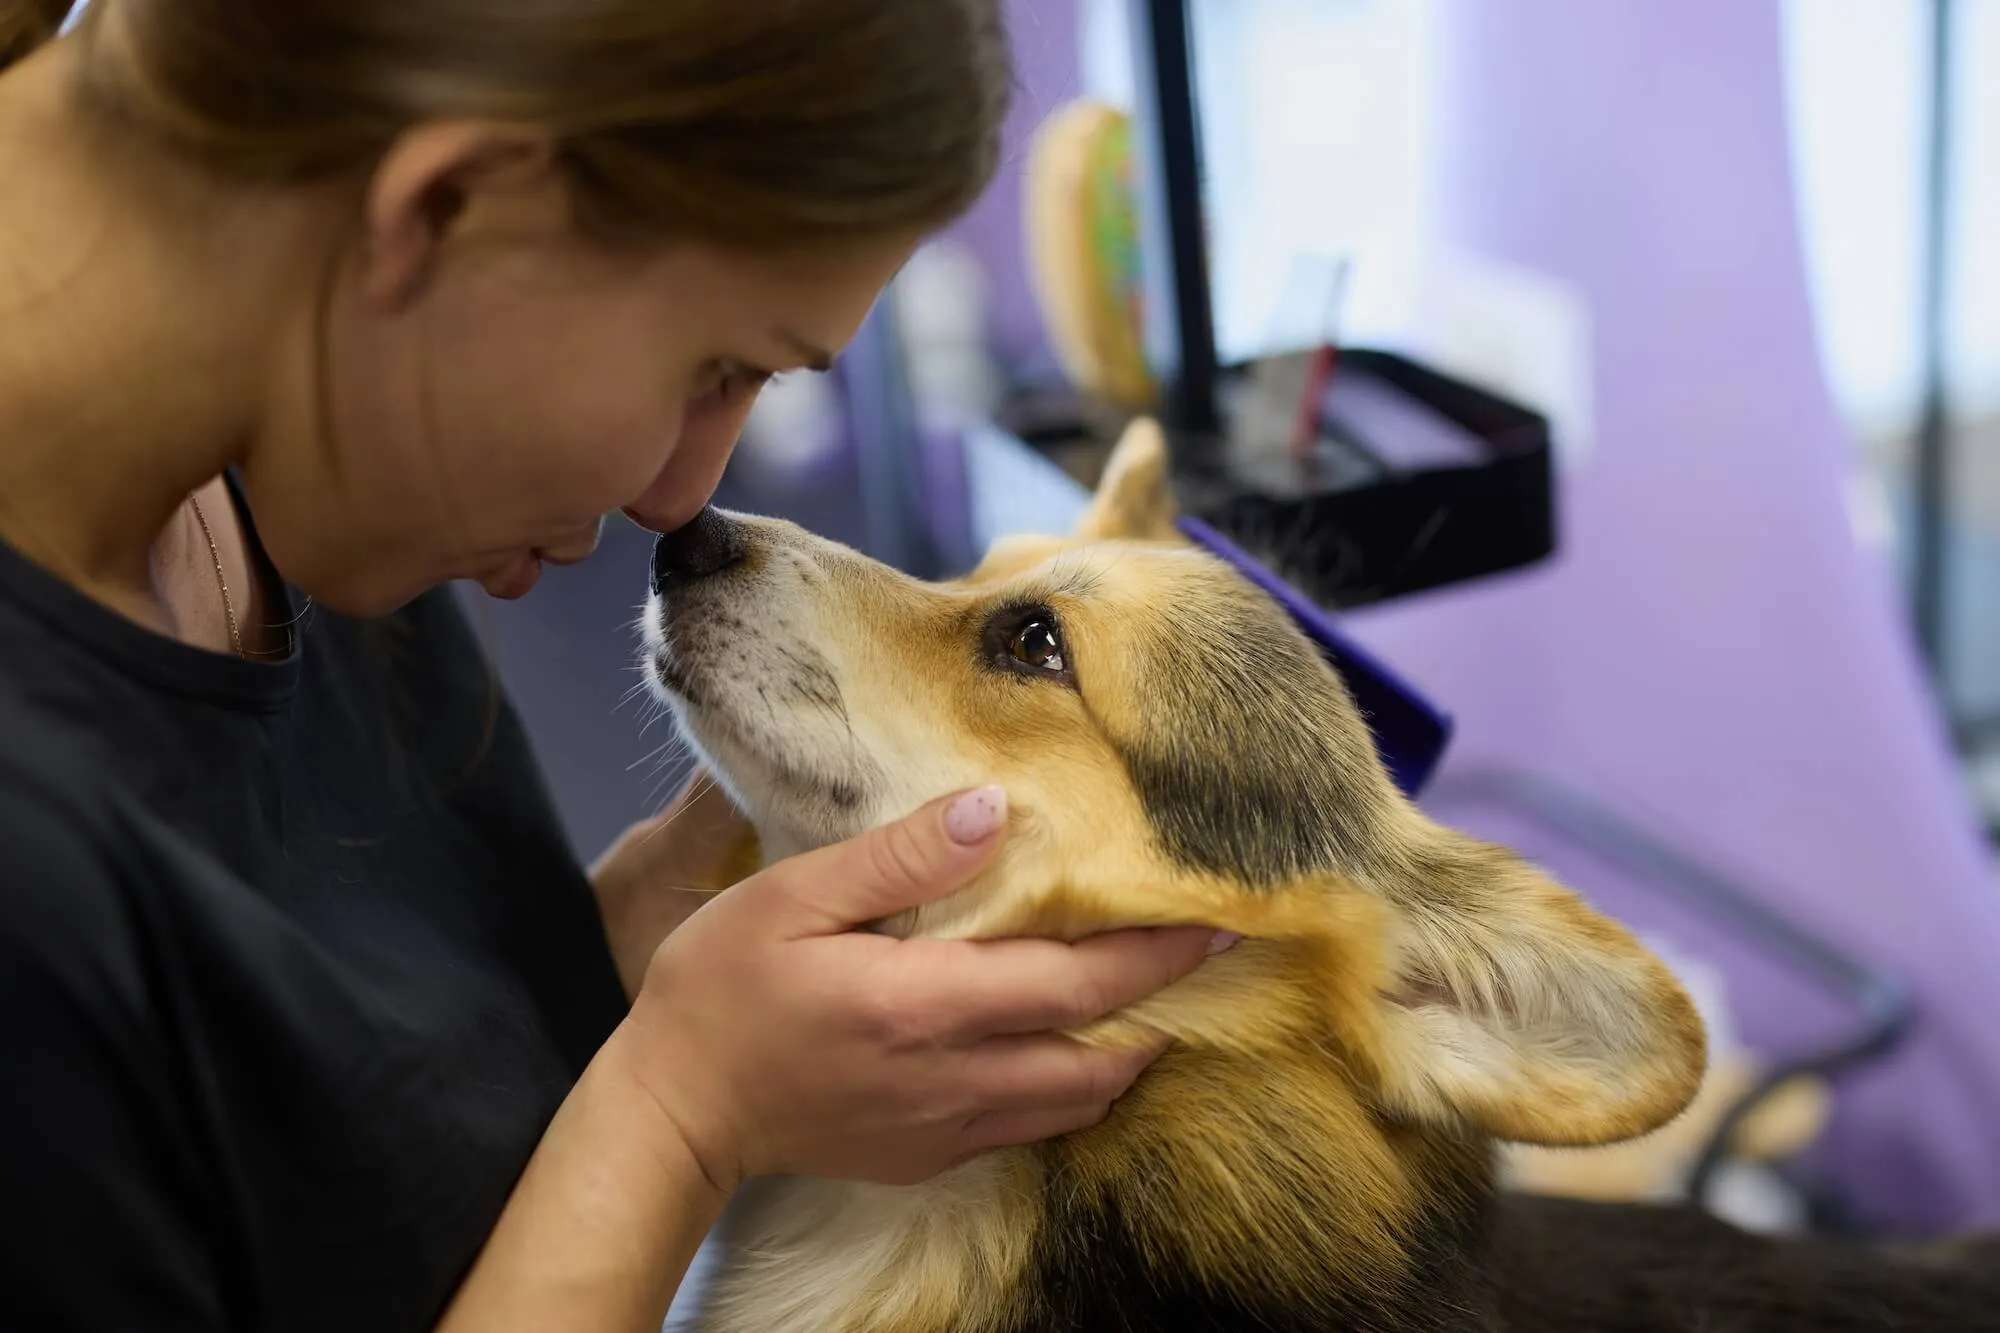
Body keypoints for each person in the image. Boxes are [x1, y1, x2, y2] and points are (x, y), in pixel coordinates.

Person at [0, 3, 1234, 1330]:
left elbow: (306, 1145)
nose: (681, 496)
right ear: (450, 206)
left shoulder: (307, 401)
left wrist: (619, 964)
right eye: (715, 366)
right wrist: (681, 1113)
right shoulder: (33, 873)